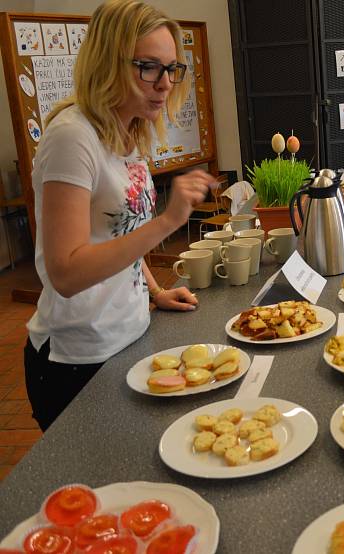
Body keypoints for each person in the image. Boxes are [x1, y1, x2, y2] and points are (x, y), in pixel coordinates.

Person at [24, 0, 218, 431]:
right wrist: (167, 221)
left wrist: (153, 292)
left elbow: (120, 232)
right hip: (78, 358)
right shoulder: (72, 137)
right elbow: (66, 272)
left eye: (172, 69)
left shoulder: (126, 130)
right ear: (108, 62)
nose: (165, 83)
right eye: (149, 67)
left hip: (130, 335)